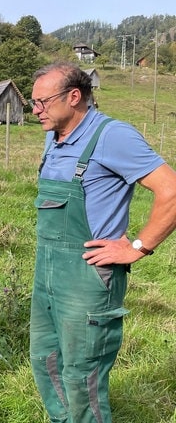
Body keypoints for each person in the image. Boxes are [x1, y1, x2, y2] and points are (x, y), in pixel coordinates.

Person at [28, 62, 176, 423]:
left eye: (42, 102)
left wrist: (137, 247)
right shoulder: (54, 137)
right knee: (45, 358)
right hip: (47, 271)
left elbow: (171, 190)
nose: (35, 111)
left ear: (74, 97)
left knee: (82, 373)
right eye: (32, 102)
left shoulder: (113, 136)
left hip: (89, 278)